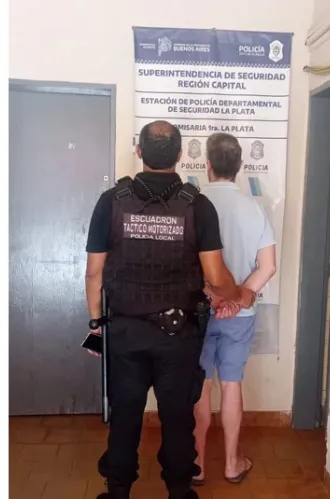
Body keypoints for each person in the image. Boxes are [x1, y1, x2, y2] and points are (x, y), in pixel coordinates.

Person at [84, 120, 255, 499]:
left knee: (125, 415)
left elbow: (94, 273)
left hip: (125, 332)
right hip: (178, 335)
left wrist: (96, 322)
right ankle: (179, 491)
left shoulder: (111, 201)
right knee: (178, 418)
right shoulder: (198, 206)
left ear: (139, 152)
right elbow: (215, 276)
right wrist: (239, 293)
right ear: (179, 155)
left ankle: (117, 491)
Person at [192, 133, 277, 486]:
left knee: (199, 387)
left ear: (207, 164)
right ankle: (231, 464)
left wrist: (213, 297)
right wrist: (239, 298)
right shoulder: (253, 208)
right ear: (240, 166)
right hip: (240, 316)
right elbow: (268, 266)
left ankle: (196, 465)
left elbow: (184, 264)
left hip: (197, 312)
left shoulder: (192, 204)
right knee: (231, 385)